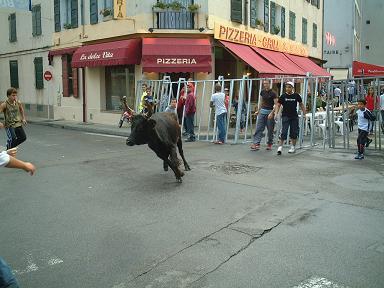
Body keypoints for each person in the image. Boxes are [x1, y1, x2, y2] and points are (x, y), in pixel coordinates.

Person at [273, 81, 306, 155]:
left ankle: (293, 147)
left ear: (292, 88)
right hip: (285, 116)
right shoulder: (283, 96)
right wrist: (276, 114)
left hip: (294, 116)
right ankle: (280, 147)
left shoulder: (296, 95)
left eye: (289, 87)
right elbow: (278, 105)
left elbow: (301, 104)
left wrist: (304, 113)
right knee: (284, 132)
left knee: (293, 132)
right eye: (286, 87)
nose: (287, 88)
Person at [251, 80, 277, 150]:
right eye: (264, 83)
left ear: (269, 84)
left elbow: (276, 104)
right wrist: (258, 110)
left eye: (266, 83)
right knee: (259, 128)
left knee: (270, 130)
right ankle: (256, 143)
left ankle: (269, 144)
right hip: (262, 112)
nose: (265, 85)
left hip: (270, 113)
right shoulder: (262, 92)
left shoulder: (273, 93)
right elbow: (261, 101)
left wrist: (273, 113)